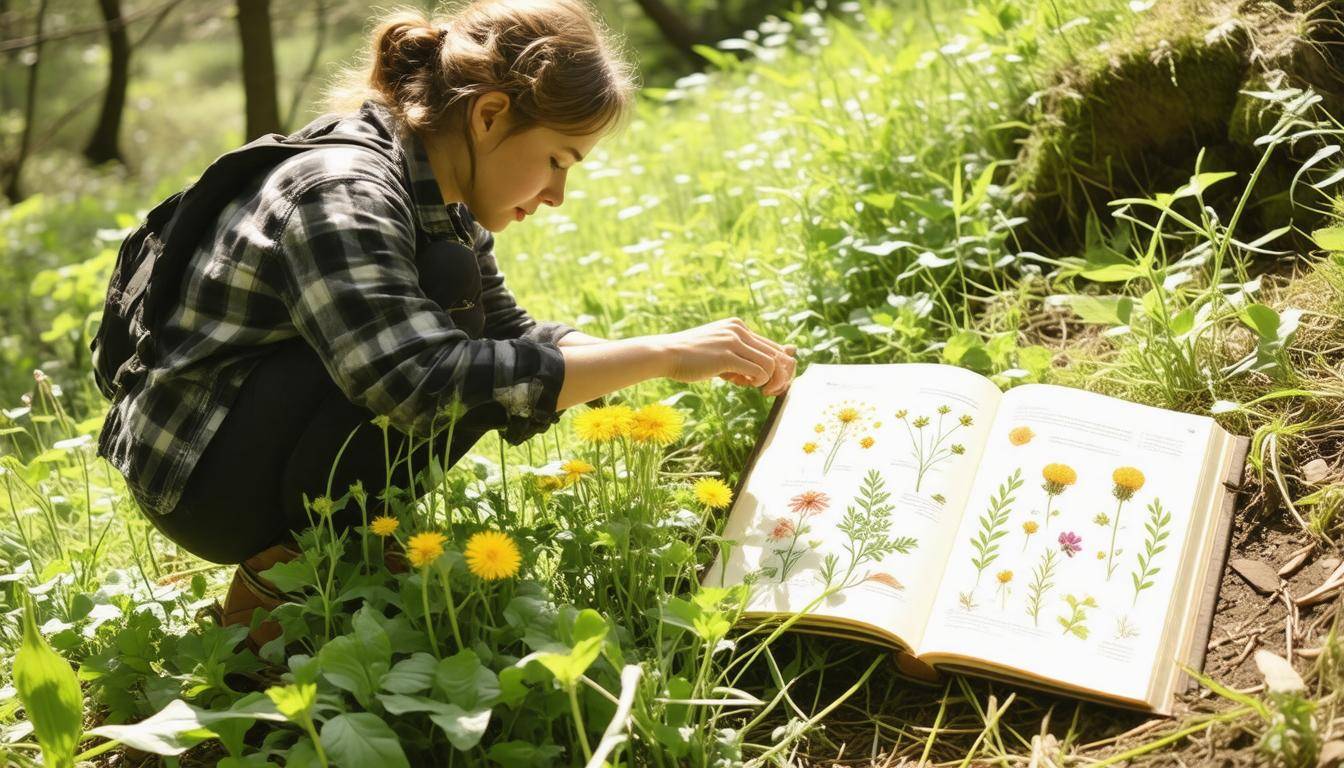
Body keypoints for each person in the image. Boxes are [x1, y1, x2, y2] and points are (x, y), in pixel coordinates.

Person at [96, 0, 797, 643]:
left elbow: (509, 334)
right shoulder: (343, 191)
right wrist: (662, 354)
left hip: (247, 437)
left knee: (454, 295)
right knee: (445, 333)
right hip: (203, 479)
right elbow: (418, 382)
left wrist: (653, 355)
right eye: (557, 160)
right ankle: (277, 596)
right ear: (490, 114)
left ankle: (339, 559)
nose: (557, 194)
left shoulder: (435, 197)